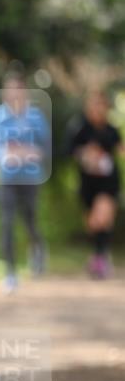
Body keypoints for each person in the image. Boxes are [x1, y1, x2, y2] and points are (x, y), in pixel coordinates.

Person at [0, 74, 50, 294]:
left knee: (29, 220)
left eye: (17, 91)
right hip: (6, 178)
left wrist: (29, 153)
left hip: (30, 178)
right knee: (6, 223)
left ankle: (37, 247)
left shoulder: (36, 118)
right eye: (9, 91)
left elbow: (45, 149)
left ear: (24, 93)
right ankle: (10, 273)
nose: (13, 95)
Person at [66, 90, 122, 278]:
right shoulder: (80, 128)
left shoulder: (111, 130)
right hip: (88, 183)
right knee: (93, 223)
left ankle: (100, 259)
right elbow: (68, 150)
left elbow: (119, 148)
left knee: (102, 216)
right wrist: (85, 153)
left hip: (108, 182)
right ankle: (100, 255)